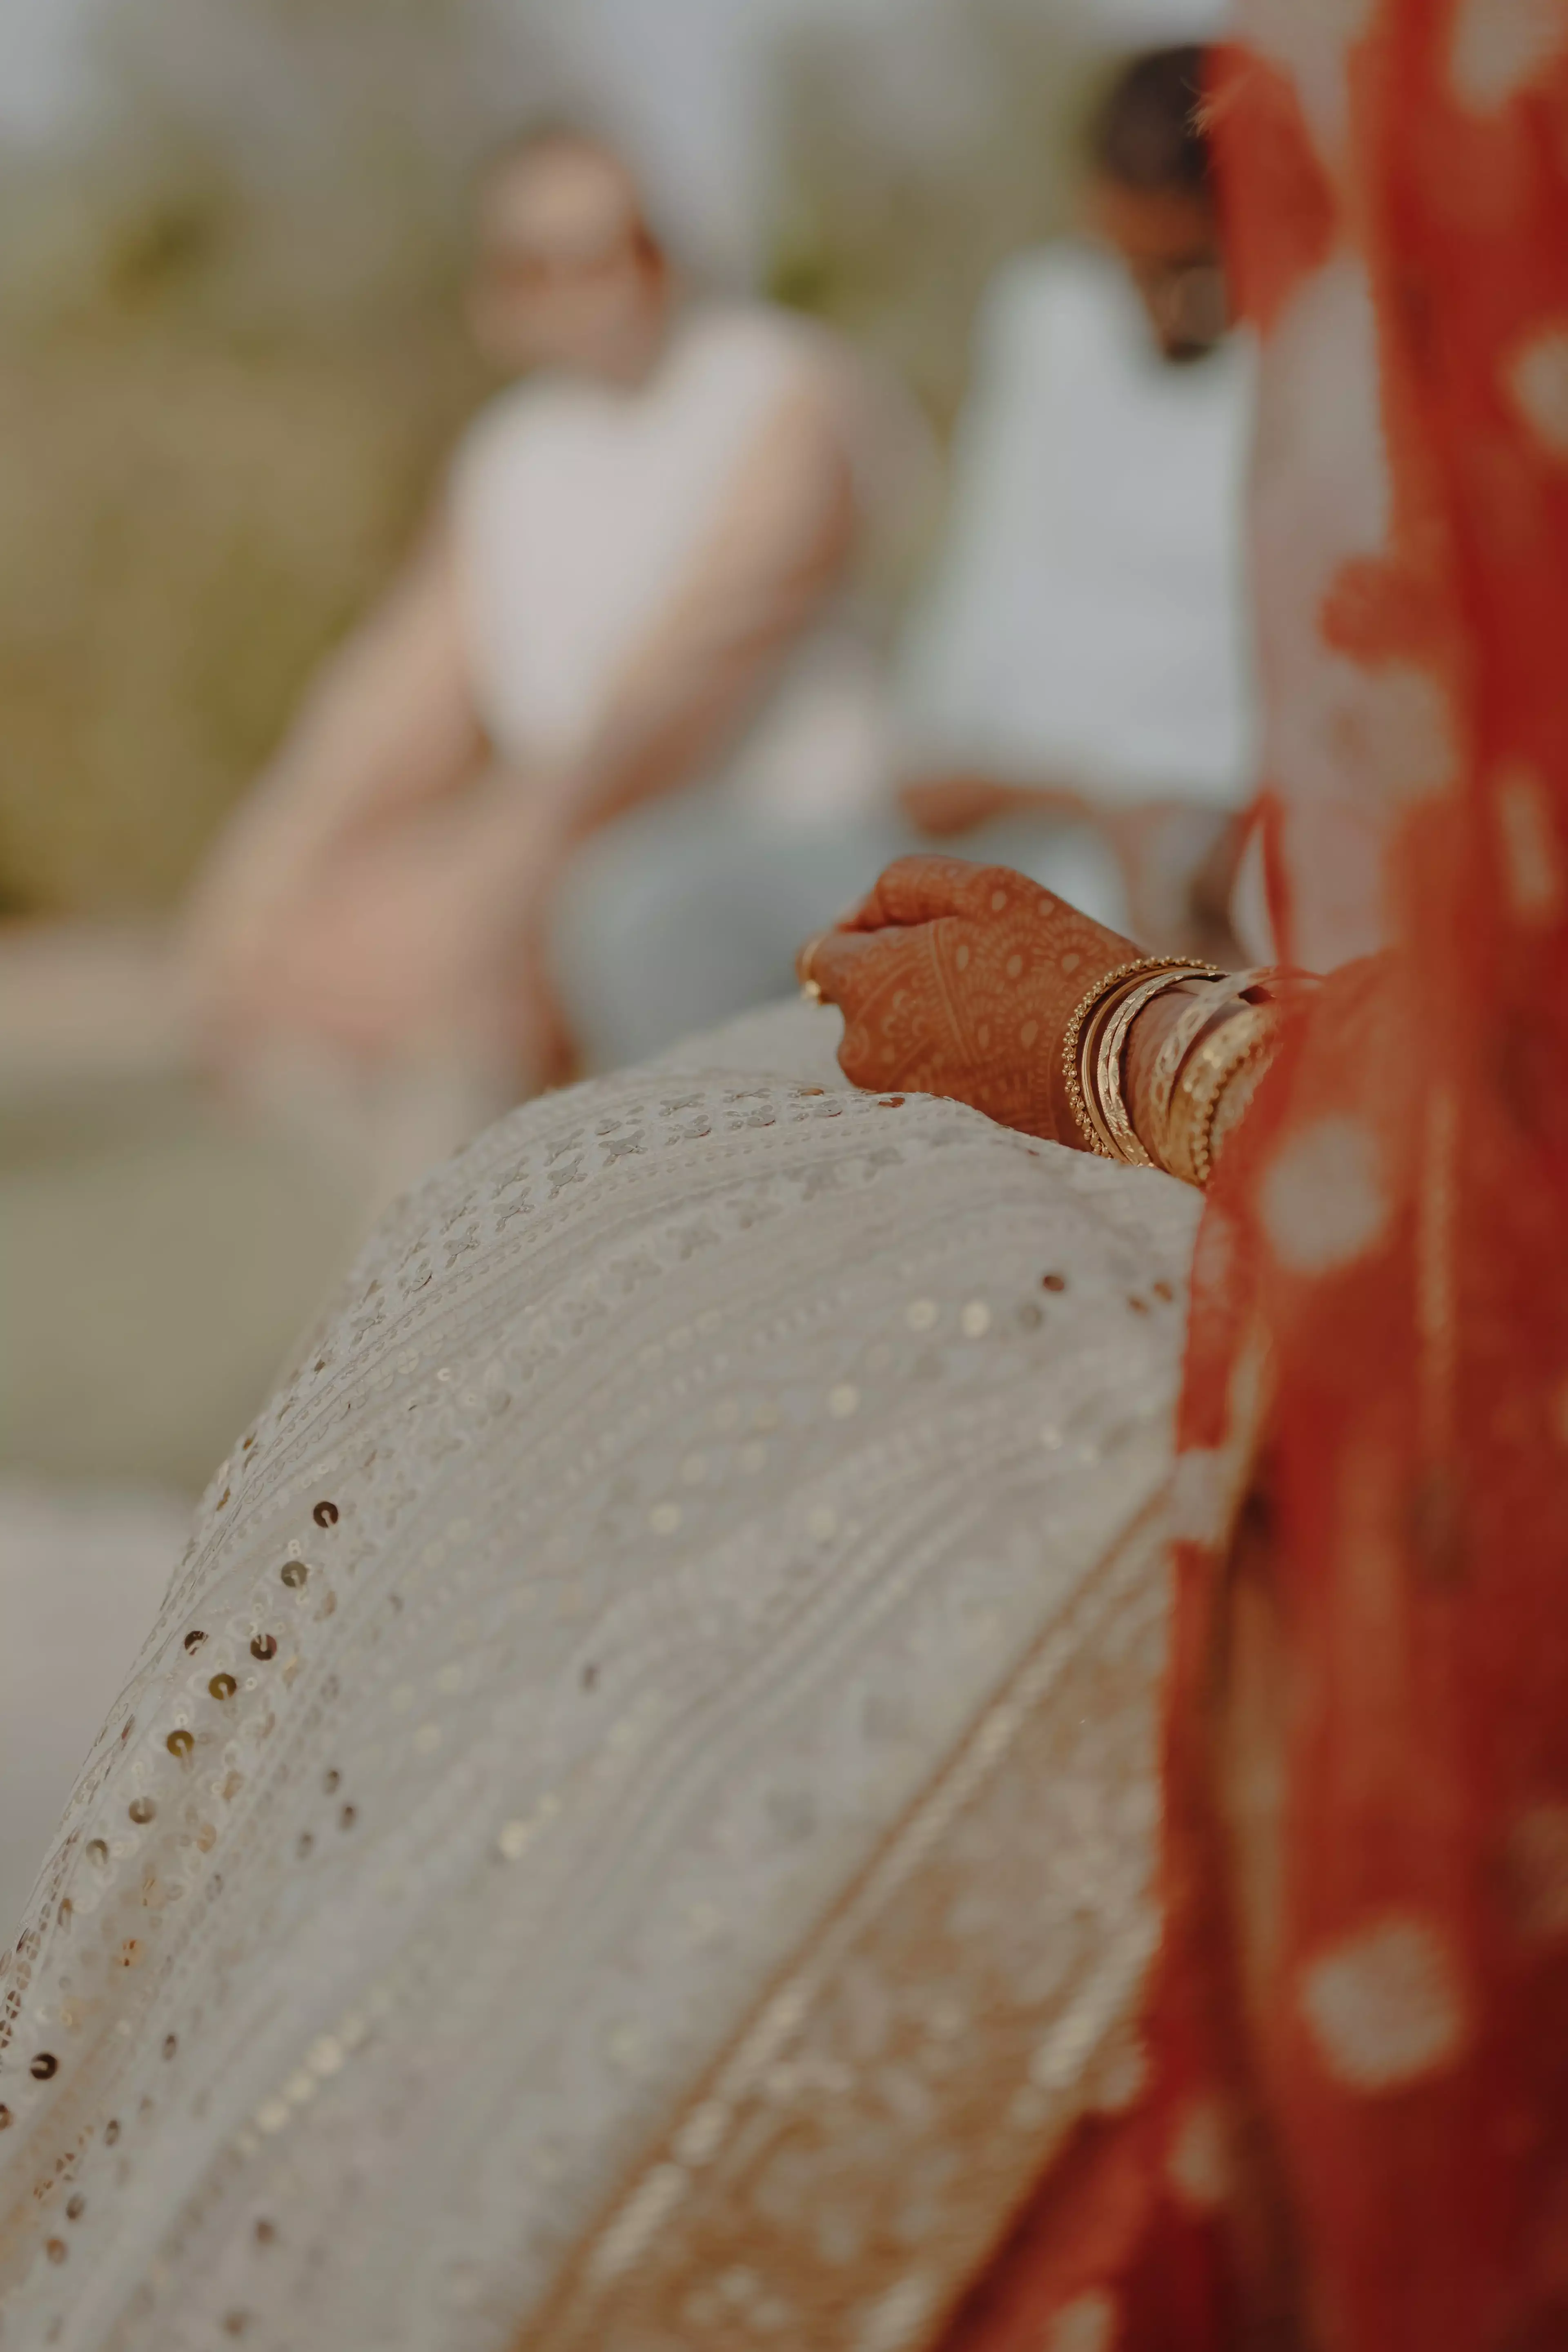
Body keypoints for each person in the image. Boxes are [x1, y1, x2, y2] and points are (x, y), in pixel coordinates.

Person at [3, 10, 1564, 2351]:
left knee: (778, 1266)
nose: (564, 289)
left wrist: (1129, 1029)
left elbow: (639, 720)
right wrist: (268, 883)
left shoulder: (779, 412)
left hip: (1210, 906)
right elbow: (418, 693)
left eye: (598, 244)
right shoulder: (546, 455)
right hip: (1088, 843)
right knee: (641, 1123)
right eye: (523, 260)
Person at [180, 127, 931, 1170]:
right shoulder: (509, 457)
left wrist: (489, 887)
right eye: (545, 265)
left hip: (782, 847)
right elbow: (396, 694)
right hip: (581, 855)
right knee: (325, 941)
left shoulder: (783, 389)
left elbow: (671, 697)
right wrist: (256, 888)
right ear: (497, 296)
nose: (597, 290)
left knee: (556, 925)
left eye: (621, 249)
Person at [897, 45, 1258, 959]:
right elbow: (983, 572)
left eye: (1192, 270)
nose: (1164, 310)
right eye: (1136, 268)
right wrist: (951, 759)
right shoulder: (1046, 316)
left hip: (1191, 844)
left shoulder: (1307, 361)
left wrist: (1121, 812)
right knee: (658, 900)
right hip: (1001, 816)